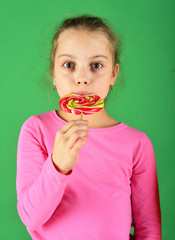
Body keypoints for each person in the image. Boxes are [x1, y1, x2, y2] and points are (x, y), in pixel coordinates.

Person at [16, 14, 162, 240]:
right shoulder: (36, 130)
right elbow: (30, 218)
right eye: (69, 65)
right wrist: (59, 165)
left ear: (113, 74)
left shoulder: (137, 143)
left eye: (96, 65)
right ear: (54, 74)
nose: (82, 78)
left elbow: (149, 229)